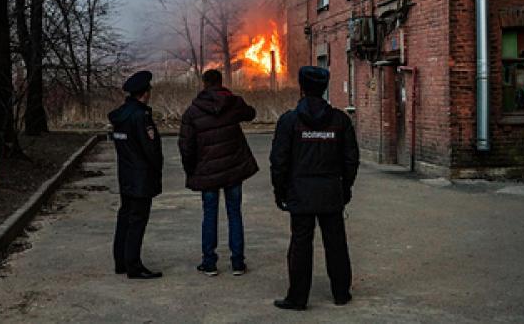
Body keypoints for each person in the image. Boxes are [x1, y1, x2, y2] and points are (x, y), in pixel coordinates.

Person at [269, 66, 359, 310]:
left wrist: (280, 191)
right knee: (336, 243)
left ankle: (298, 298)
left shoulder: (289, 121)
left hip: (300, 192)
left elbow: (279, 160)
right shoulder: (340, 120)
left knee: (300, 244)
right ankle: (341, 293)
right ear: (325, 87)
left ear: (302, 87)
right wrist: (345, 187)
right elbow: (351, 159)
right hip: (331, 191)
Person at [178, 69, 259, 276]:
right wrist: (236, 101)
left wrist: (191, 170)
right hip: (233, 169)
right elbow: (251, 114)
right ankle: (238, 263)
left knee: (209, 214)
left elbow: (185, 145)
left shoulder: (192, 112)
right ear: (221, 82)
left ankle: (209, 263)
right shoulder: (232, 103)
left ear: (203, 84)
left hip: (208, 171)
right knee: (234, 213)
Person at [109, 70, 163, 279]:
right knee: (138, 220)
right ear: (144, 92)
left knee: (124, 217)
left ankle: (121, 261)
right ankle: (134, 265)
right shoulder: (141, 117)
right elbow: (151, 150)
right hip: (141, 177)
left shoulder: (121, 116)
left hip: (126, 174)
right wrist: (157, 168)